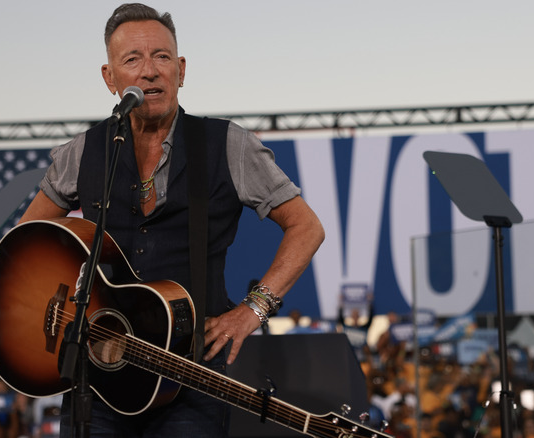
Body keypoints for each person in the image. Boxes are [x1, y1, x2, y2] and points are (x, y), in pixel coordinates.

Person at [17, 3, 324, 437]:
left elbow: (307, 227)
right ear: (109, 78)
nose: (149, 72)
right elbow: (25, 244)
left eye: (161, 57)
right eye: (132, 60)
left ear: (181, 69)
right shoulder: (83, 151)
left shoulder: (228, 144)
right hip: (99, 377)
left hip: (192, 377)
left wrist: (253, 310)